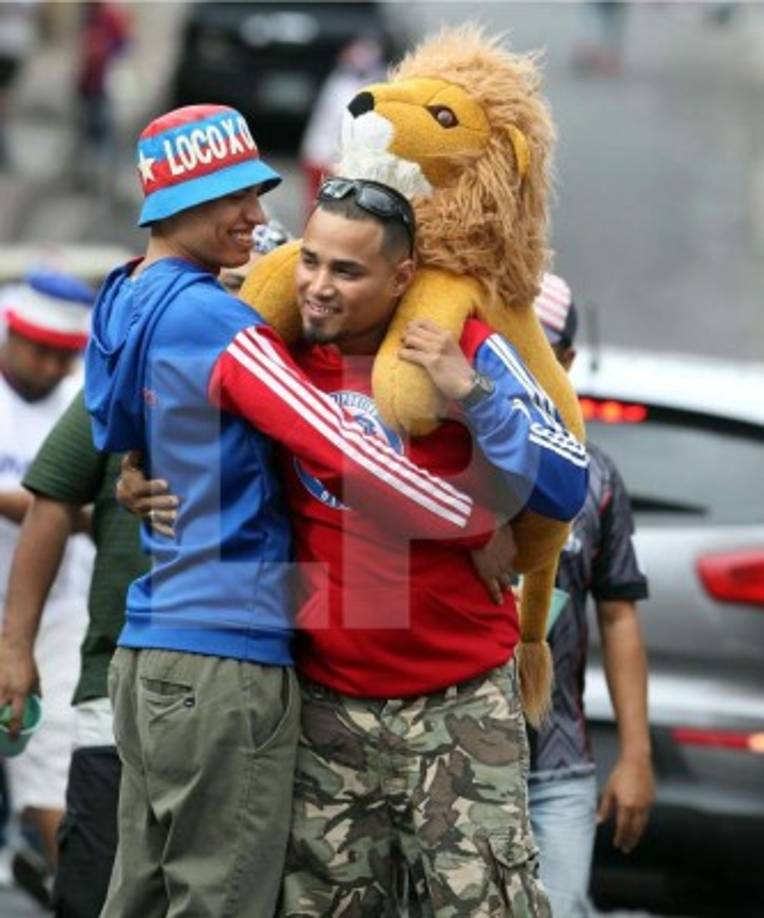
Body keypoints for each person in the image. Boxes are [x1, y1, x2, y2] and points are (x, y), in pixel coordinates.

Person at [125, 176, 589, 916]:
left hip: (458, 701)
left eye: (347, 271)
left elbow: (568, 483)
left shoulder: (459, 341)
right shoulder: (271, 344)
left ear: (401, 276)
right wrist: (137, 473)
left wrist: (470, 393)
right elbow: (160, 409)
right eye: (311, 261)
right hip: (323, 707)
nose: (318, 287)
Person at [84, 105, 501, 918]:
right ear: (171, 207)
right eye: (229, 199)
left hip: (152, 653)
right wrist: (476, 521)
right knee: (221, 899)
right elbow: (338, 446)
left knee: (139, 893)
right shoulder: (212, 318)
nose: (255, 216)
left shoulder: (123, 301)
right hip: (223, 660)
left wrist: (143, 470)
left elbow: (122, 432)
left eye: (257, 193)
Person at [527, 272, 653, 918]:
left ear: (568, 360)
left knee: (565, 906)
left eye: (541, 351)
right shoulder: (456, 457)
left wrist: (635, 755)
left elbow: (618, 617)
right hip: (453, 750)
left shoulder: (596, 477)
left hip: (559, 767)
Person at [0, 387, 146, 917]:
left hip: (235, 693)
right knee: (93, 884)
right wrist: (16, 648)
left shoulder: (276, 370)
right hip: (114, 679)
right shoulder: (120, 376)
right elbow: (53, 500)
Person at [0, 269, 95, 906]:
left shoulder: (84, 397)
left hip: (54, 612)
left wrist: (32, 500)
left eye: (65, 356)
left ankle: (73, 894)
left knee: (54, 769)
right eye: (41, 351)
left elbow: (91, 510)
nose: (54, 366)